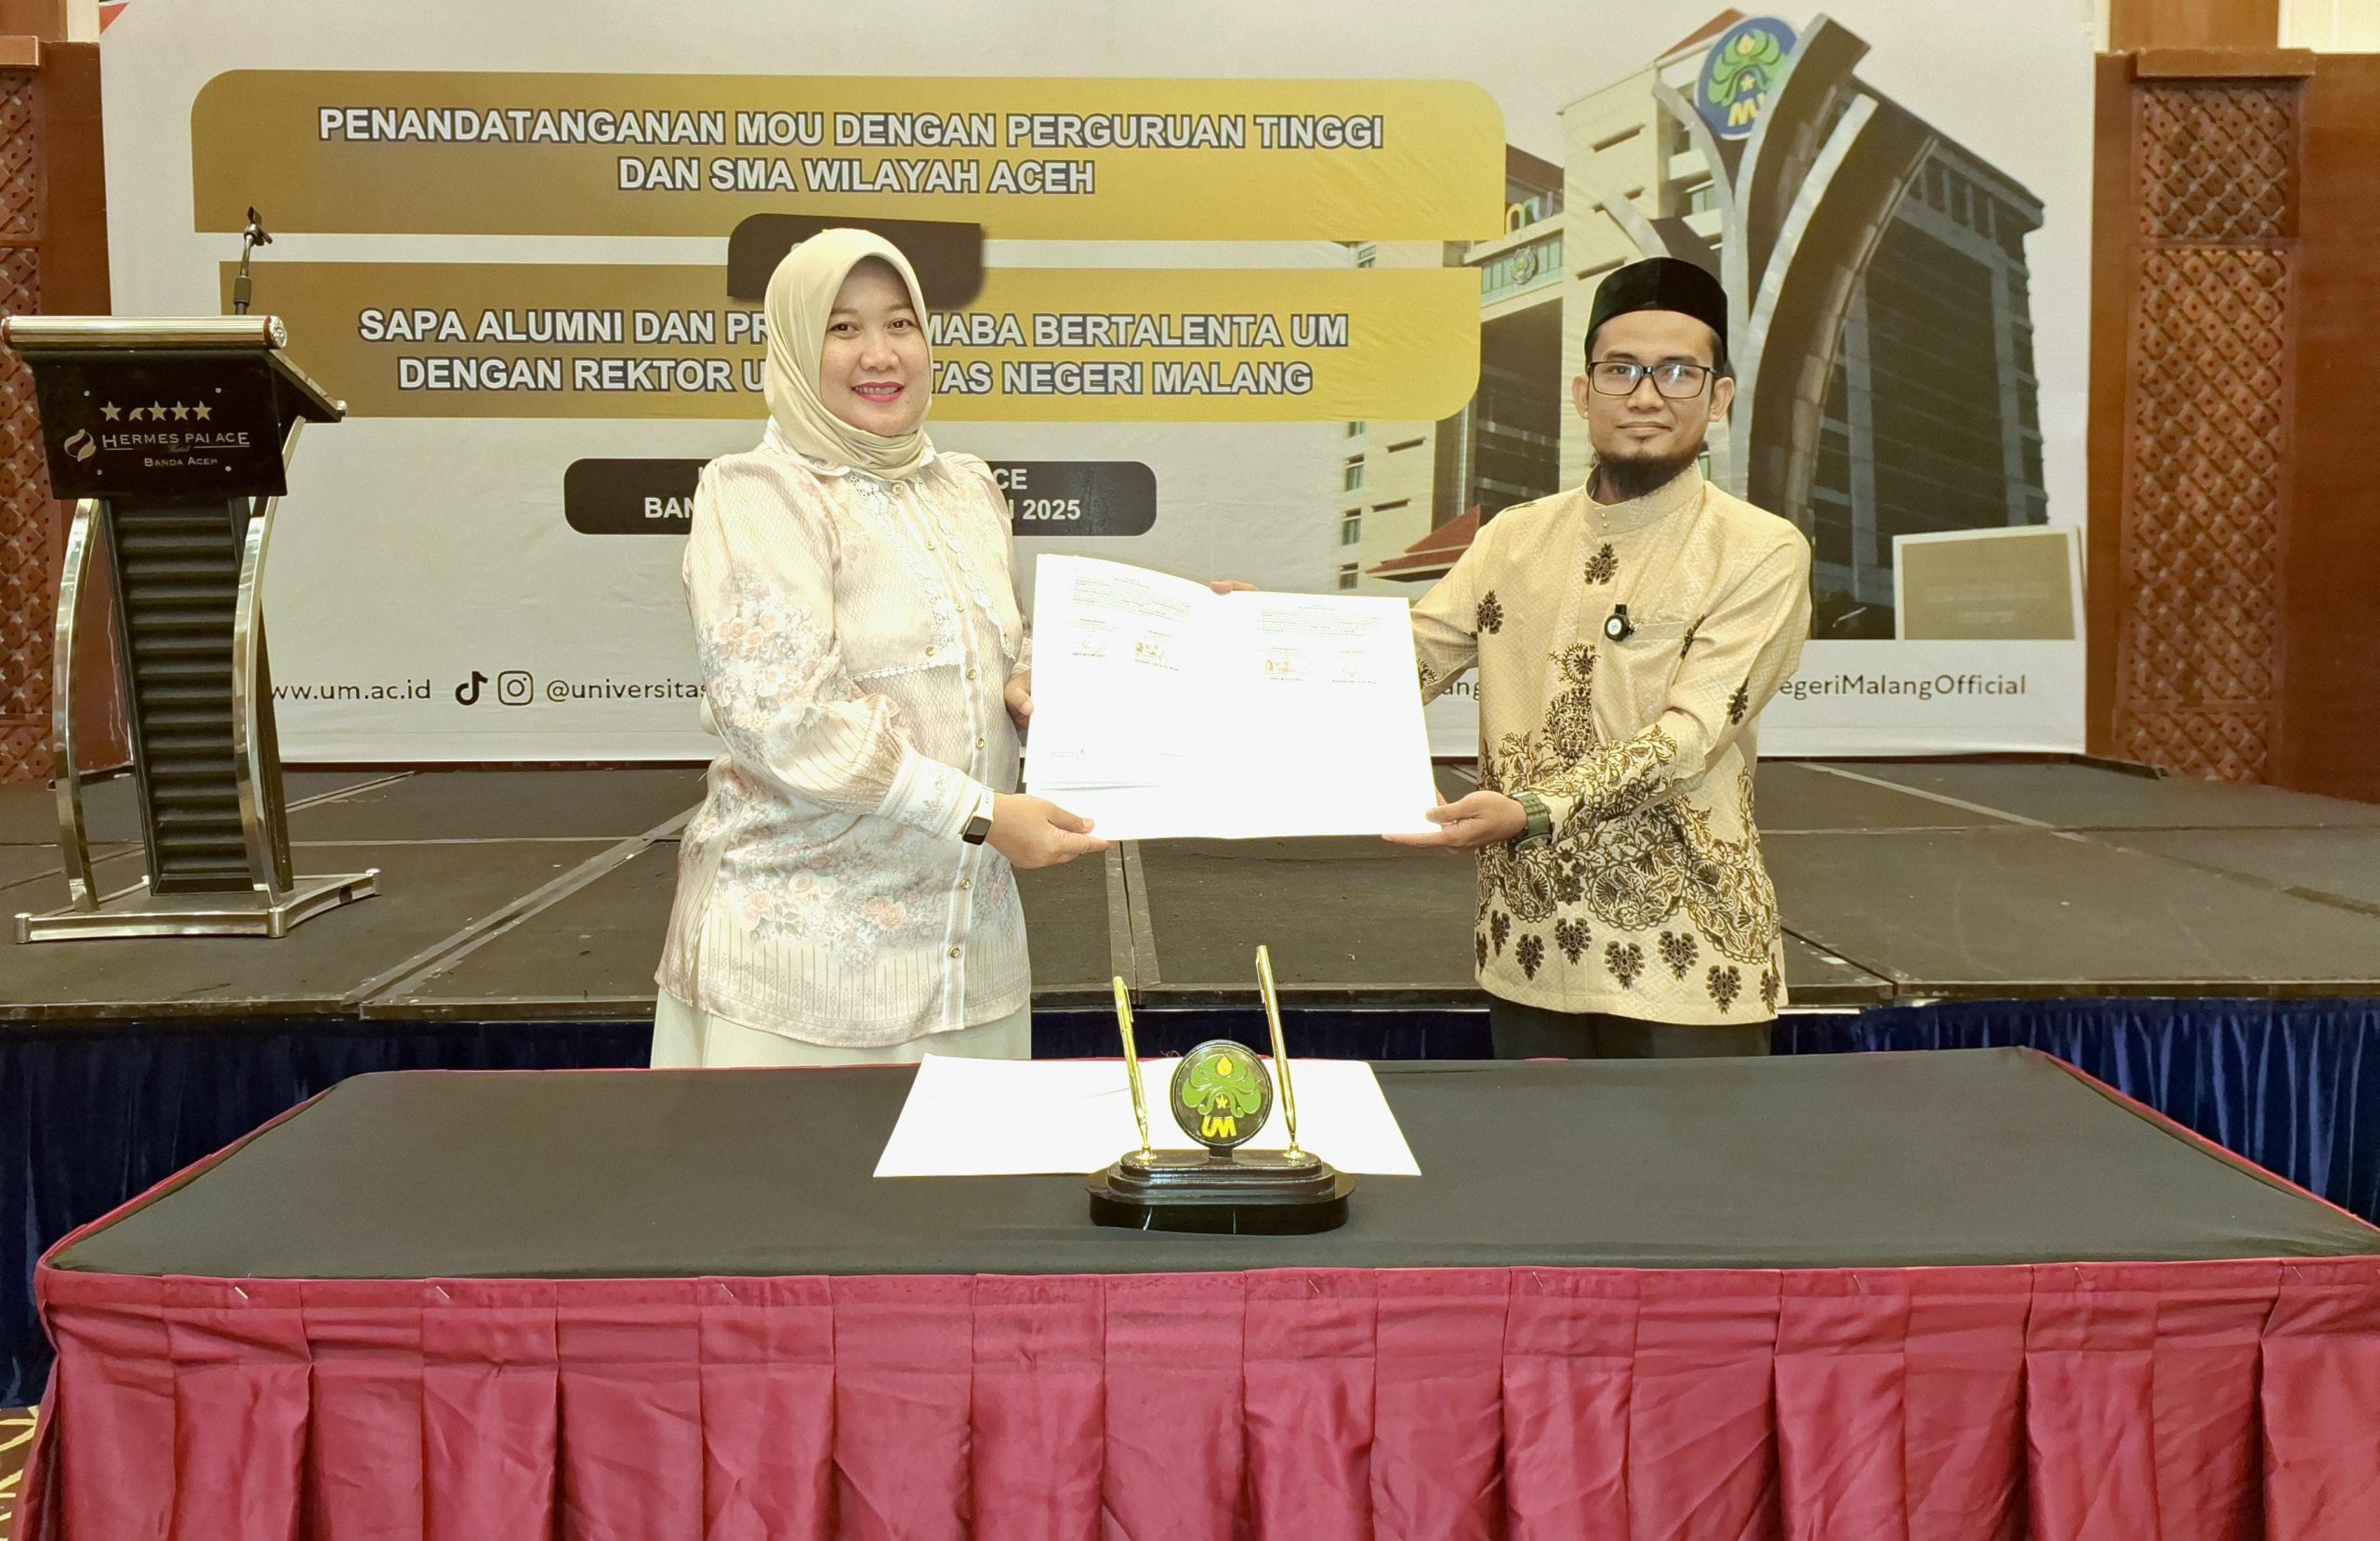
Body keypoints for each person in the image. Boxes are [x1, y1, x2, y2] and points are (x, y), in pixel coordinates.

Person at [652, 229, 1104, 1068]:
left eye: (901, 323)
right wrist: (982, 814)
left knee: (969, 1164)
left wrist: (1076, 667)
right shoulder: (758, 492)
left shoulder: (966, 487)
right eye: (842, 327)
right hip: (802, 982)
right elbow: (786, 719)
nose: (880, 353)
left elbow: (999, 646)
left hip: (969, 962)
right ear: (795, 347)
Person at [1386, 257, 1812, 1059]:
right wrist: (1264, 639)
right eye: (1621, 370)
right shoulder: (1514, 537)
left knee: (1687, 1151)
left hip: (1691, 964)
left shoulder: (1759, 549)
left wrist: (1533, 810)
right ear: (1585, 393)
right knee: (1540, 1146)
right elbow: (1400, 665)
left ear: (1719, 398)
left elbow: (1691, 737)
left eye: (1678, 372)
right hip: (1529, 949)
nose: (1646, 396)